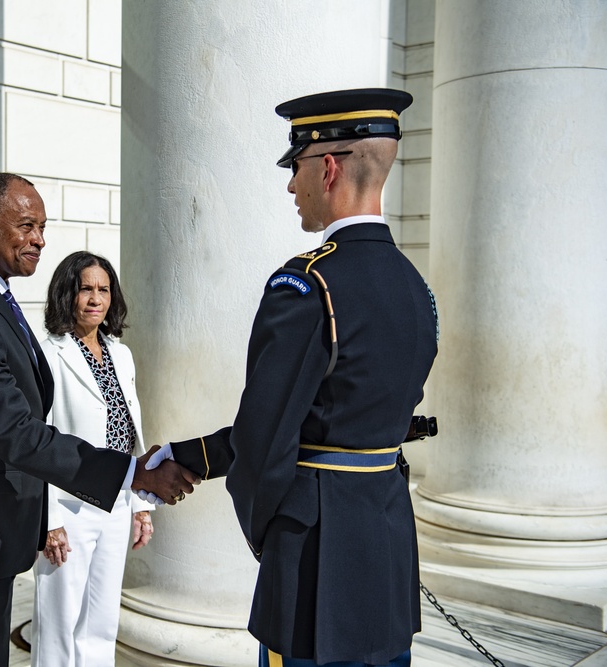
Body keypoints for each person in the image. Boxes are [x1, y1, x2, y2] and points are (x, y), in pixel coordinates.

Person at [145, 89, 439, 666]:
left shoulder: (306, 286)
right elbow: (339, 417)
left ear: (327, 168)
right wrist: (192, 455)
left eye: (295, 167)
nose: (289, 186)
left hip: (316, 559)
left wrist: (271, 537)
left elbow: (266, 438)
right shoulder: (415, 288)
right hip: (387, 541)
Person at [0, 172, 198, 667]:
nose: (39, 238)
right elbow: (17, 432)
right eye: (26, 225)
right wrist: (130, 472)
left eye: (42, 226)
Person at [30, 252, 154, 667]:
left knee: (101, 624)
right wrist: (48, 521)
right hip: (69, 506)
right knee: (58, 627)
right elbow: (37, 440)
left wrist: (139, 504)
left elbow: (132, 431)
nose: (96, 298)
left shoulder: (121, 354)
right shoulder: (48, 355)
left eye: (103, 289)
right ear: (68, 294)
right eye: (86, 288)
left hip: (117, 501)